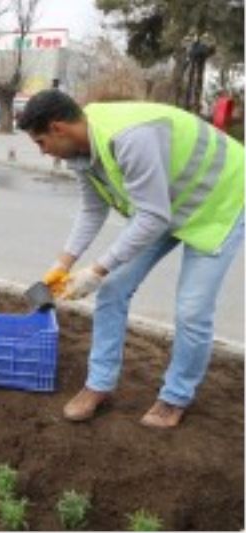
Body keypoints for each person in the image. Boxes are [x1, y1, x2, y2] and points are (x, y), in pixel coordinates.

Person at [18, 89, 244, 429]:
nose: (42, 151)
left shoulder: (129, 138)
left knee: (192, 310)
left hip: (220, 202)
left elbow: (151, 218)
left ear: (58, 128)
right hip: (163, 205)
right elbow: (93, 210)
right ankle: (99, 384)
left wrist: (96, 269)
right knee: (113, 291)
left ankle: (175, 397)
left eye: (40, 141)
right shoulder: (82, 153)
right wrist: (62, 264)